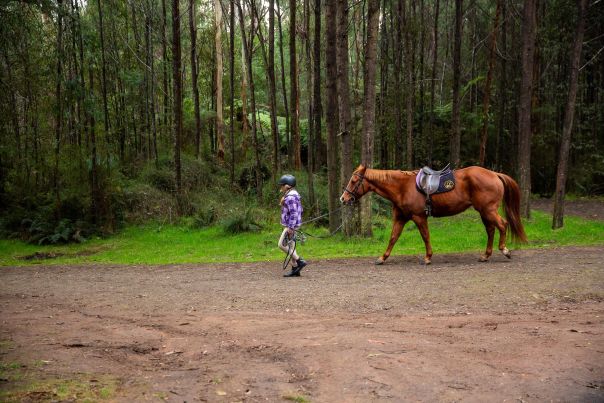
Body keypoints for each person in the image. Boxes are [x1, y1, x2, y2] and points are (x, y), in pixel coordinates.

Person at [278, 174, 308, 277]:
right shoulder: (292, 196)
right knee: (291, 247)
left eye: (282, 185)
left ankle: (300, 261)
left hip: (290, 226)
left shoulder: (290, 197)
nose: (280, 187)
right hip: (292, 225)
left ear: (287, 186)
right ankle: (295, 269)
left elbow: (294, 213)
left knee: (281, 245)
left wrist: (290, 227)